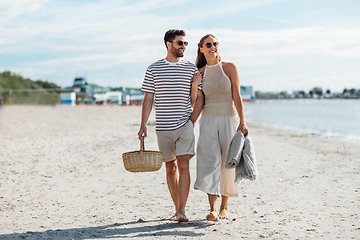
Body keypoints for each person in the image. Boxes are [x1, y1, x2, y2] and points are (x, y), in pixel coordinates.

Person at [138, 29, 201, 222]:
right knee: (170, 168)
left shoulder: (191, 69)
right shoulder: (153, 69)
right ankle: (177, 209)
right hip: (162, 127)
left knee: (183, 166)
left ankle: (182, 211)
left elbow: (194, 100)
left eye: (185, 43)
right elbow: (148, 98)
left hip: (184, 125)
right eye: (180, 43)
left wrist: (191, 121)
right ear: (169, 44)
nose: (184, 46)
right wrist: (143, 125)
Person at [192, 34, 249, 221]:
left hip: (229, 120)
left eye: (215, 44)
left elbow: (237, 96)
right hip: (208, 121)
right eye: (208, 44)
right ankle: (213, 209)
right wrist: (190, 123)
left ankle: (224, 208)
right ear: (201, 48)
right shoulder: (200, 72)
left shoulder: (229, 68)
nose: (213, 47)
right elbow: (198, 103)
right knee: (210, 162)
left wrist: (243, 121)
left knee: (227, 163)